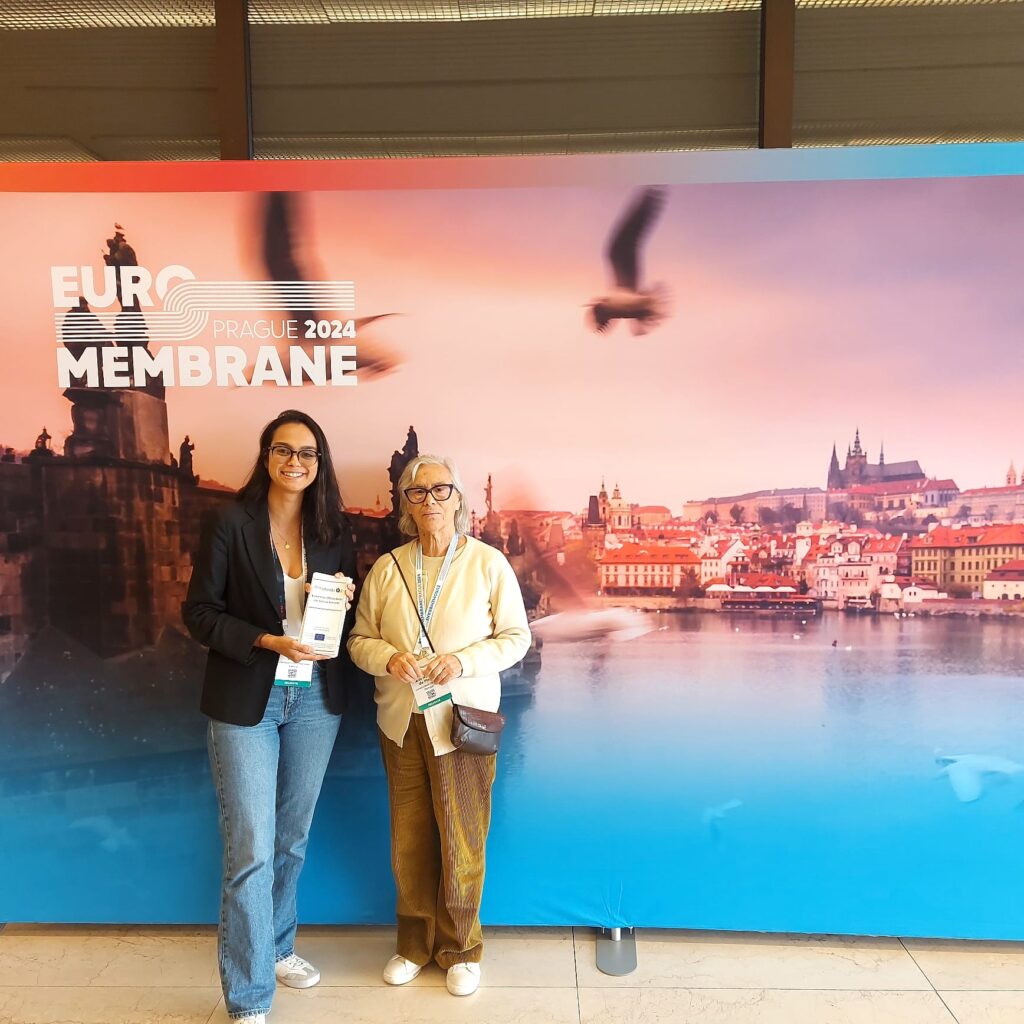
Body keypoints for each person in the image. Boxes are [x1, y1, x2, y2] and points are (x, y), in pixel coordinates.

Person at [183, 410, 358, 1024]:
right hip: (245, 699)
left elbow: (344, 618)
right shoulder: (230, 521)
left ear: (320, 463)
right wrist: (266, 640)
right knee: (251, 847)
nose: (294, 462)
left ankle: (279, 945)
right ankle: (250, 997)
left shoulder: (334, 530)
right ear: (265, 457)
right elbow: (199, 613)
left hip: (315, 697)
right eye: (283, 450)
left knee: (292, 837)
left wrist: (338, 603)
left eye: (307, 453)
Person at [348, 454, 530, 996]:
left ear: (459, 498)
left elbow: (515, 637)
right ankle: (413, 945)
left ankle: (461, 949)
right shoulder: (388, 568)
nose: (430, 500)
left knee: (463, 836)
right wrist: (389, 659)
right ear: (404, 504)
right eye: (418, 492)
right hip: (401, 722)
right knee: (409, 839)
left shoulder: (488, 564)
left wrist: (460, 662)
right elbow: (357, 641)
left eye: (440, 490)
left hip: (463, 720)